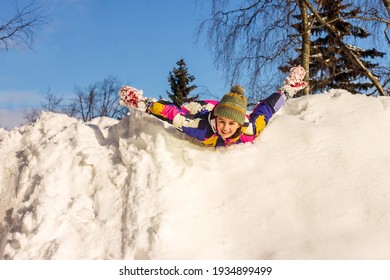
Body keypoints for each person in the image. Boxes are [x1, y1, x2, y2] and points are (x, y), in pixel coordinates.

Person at [119, 66, 307, 147]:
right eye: (222, 122)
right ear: (217, 119)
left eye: (231, 124)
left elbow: (266, 109)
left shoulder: (249, 129)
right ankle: (206, 110)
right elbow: (172, 114)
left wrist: (287, 90)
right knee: (187, 108)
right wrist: (146, 104)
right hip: (205, 110)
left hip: (220, 108)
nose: (225, 127)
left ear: (240, 123)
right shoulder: (201, 129)